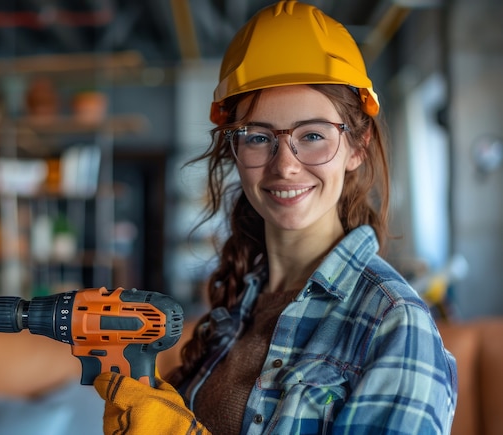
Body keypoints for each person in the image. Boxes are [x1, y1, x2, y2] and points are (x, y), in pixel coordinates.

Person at [93, 1, 458, 434]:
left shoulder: (394, 325)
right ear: (234, 148)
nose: (284, 165)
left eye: (313, 136)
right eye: (259, 137)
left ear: (357, 147)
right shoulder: (241, 303)